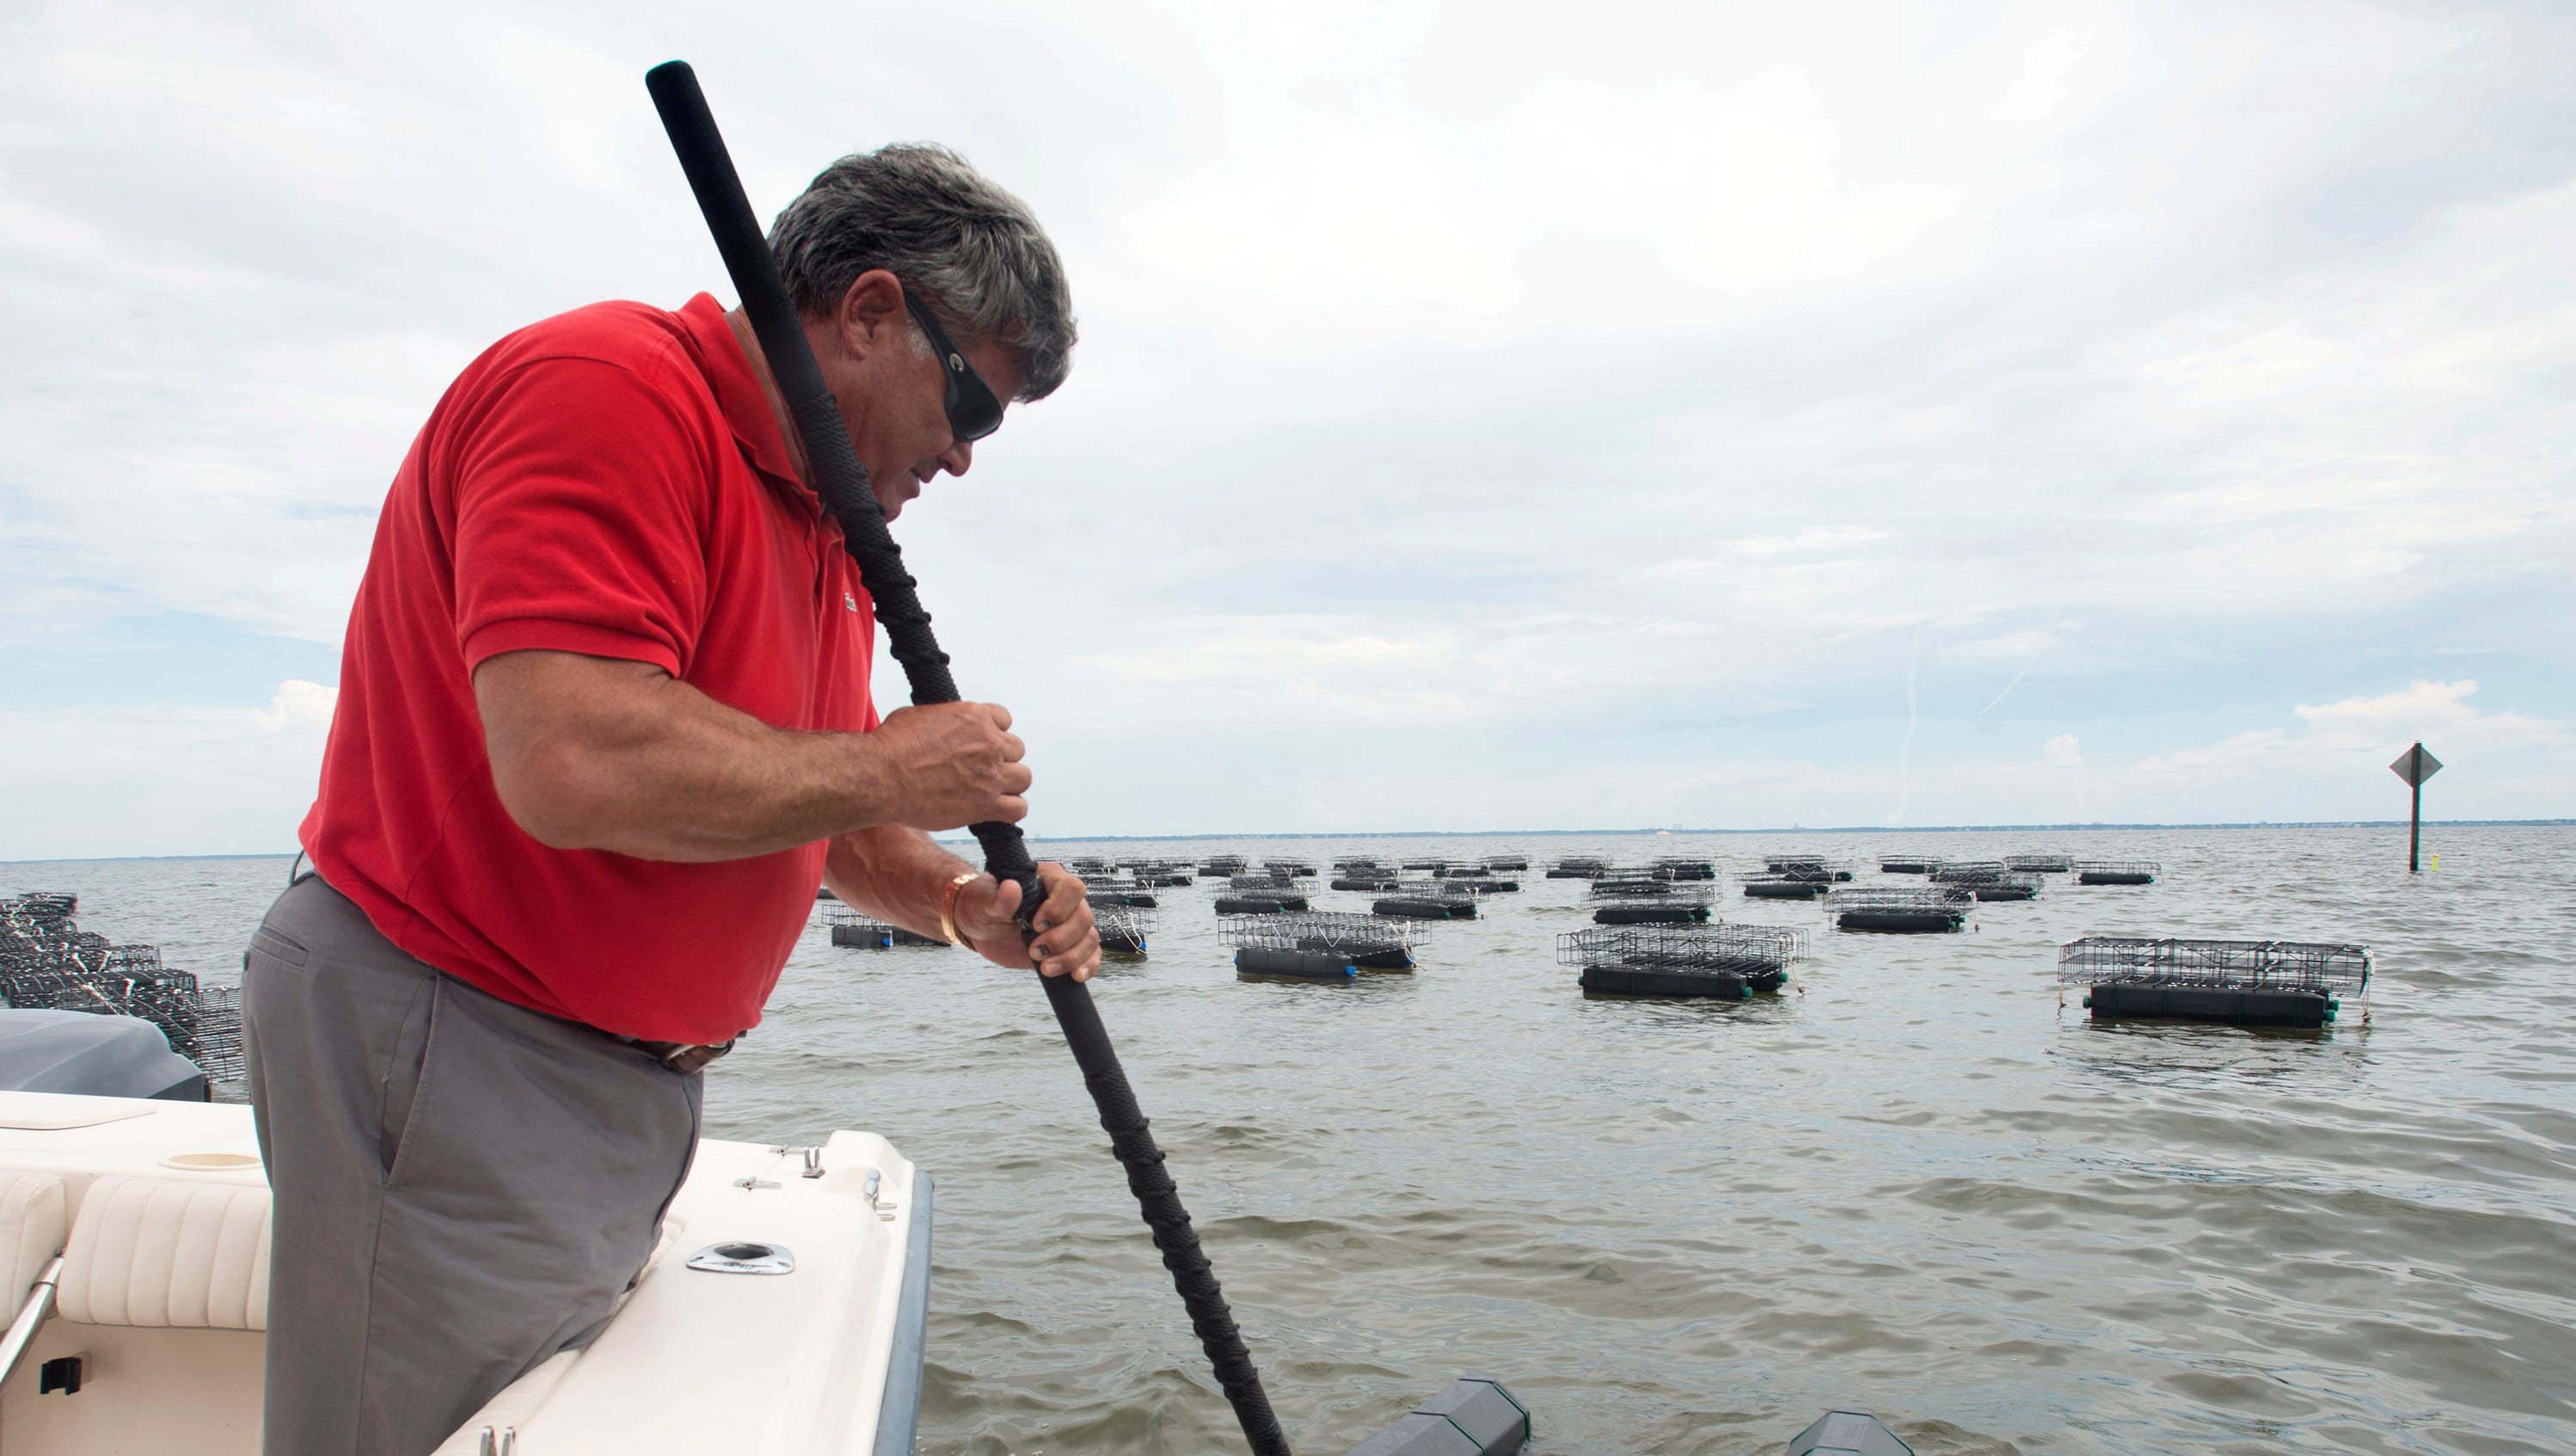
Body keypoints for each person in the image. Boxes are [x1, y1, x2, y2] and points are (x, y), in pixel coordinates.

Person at [240, 143, 1097, 1456]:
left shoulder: (819, 516)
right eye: (972, 404)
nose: (965, 457)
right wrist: (892, 764)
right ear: (870, 313)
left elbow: (803, 799)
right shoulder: (608, 391)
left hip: (614, 1090)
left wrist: (956, 900)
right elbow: (573, 757)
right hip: (458, 1035)